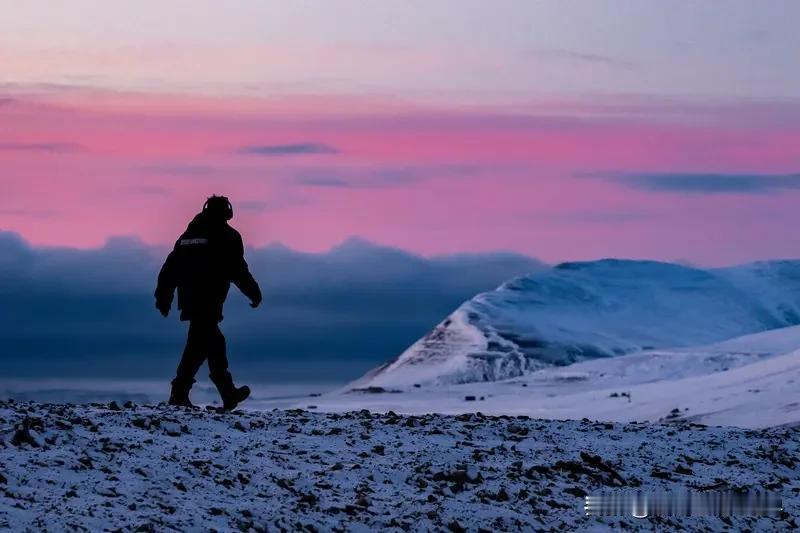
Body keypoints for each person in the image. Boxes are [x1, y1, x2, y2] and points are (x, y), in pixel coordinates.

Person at [154, 195, 262, 410]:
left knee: (207, 343)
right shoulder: (228, 235)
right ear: (227, 212)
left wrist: (164, 295)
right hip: (210, 298)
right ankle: (183, 393)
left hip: (190, 299)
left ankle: (225, 392)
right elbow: (238, 269)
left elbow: (170, 267)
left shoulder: (189, 234)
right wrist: (253, 292)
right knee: (201, 345)